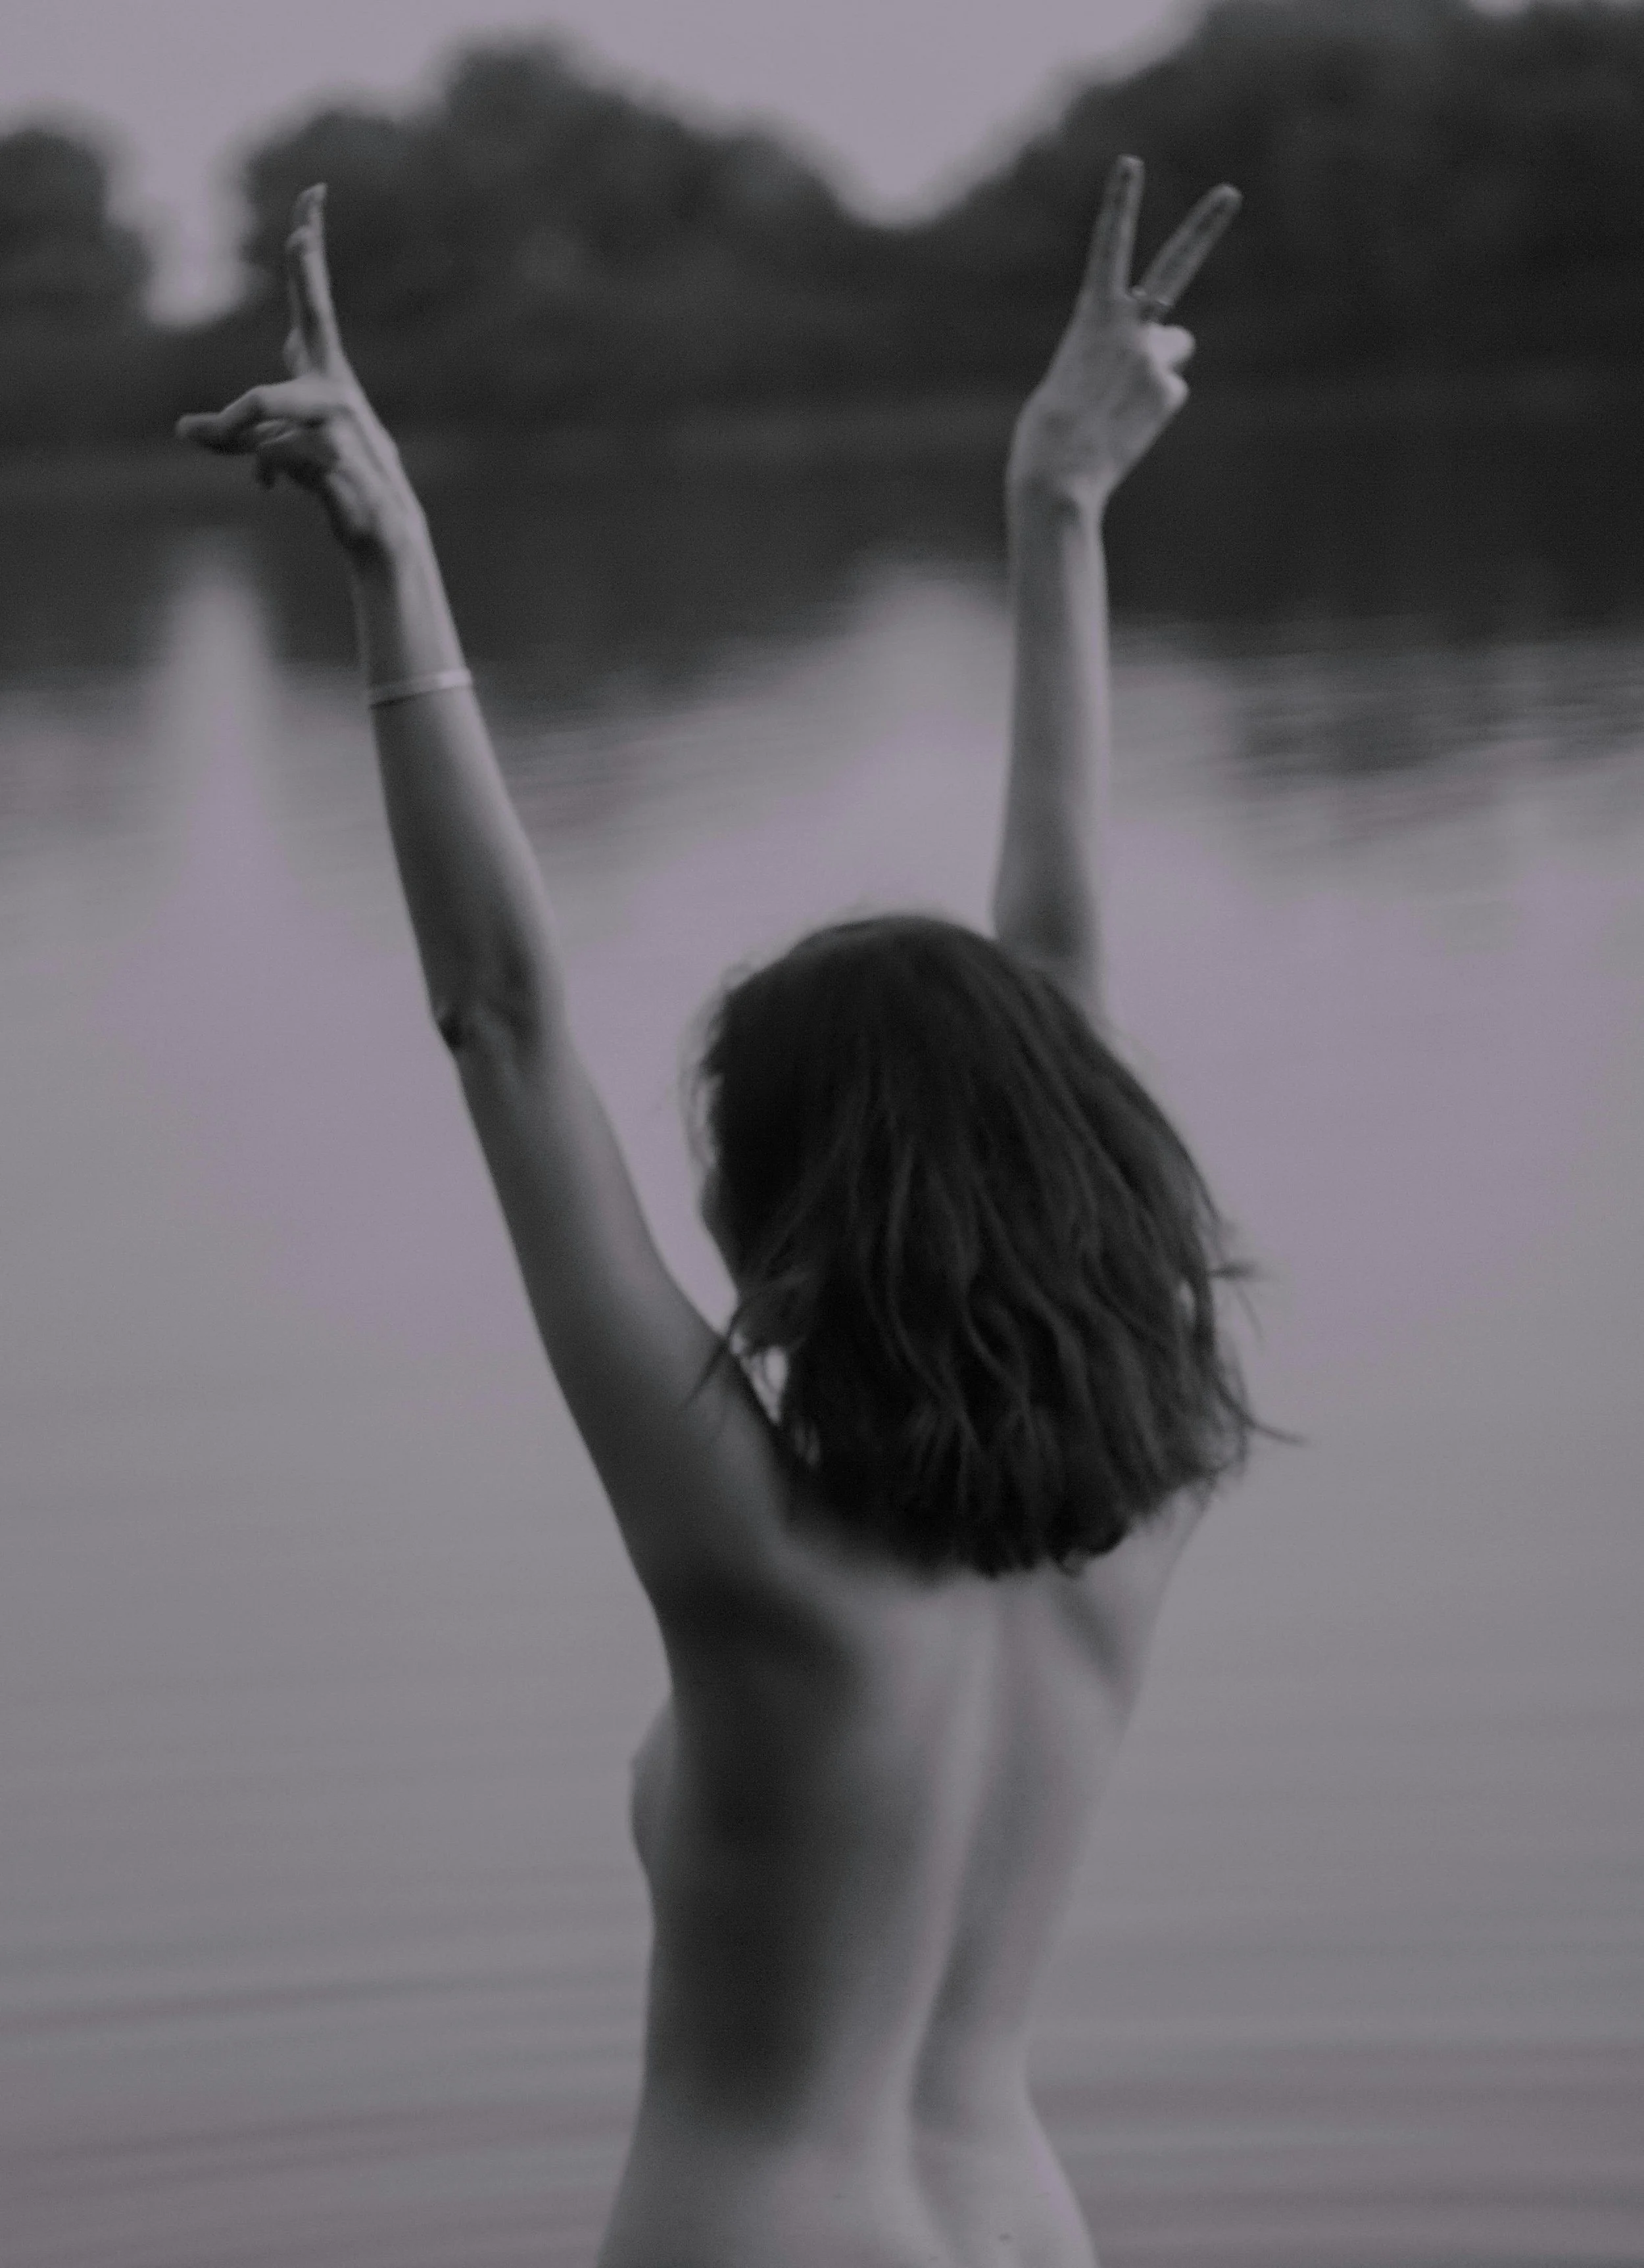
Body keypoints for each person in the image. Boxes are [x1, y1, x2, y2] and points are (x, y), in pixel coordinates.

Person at [180, 153, 1253, 2268]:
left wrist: (395, 562)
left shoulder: (760, 1580)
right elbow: (1058, 1008)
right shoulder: (1138, 1533)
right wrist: (1055, 517)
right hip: (1032, 2229)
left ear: (784, 1232)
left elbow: (502, 1023)